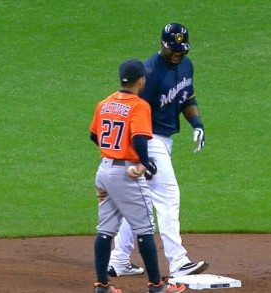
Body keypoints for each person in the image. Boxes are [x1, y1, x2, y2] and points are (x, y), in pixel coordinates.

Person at [108, 23, 208, 278]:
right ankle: (178, 262)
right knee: (168, 196)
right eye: (172, 48)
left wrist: (196, 124)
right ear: (162, 44)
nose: (177, 53)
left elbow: (187, 98)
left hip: (163, 141)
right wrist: (142, 153)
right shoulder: (149, 72)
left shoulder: (186, 65)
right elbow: (134, 111)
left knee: (142, 202)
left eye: (181, 49)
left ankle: (118, 260)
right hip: (147, 140)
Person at [89, 59, 186, 293]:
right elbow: (139, 138)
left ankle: (102, 285)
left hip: (104, 170)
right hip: (126, 175)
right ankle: (156, 286)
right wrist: (145, 162)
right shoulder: (139, 105)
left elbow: (94, 136)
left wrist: (114, 152)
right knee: (144, 229)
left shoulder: (104, 104)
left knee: (105, 230)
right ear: (140, 80)